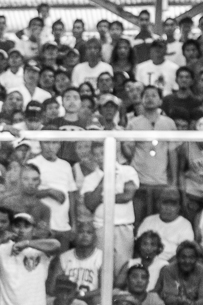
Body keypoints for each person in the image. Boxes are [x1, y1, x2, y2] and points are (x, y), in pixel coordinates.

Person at [75, 139, 139, 273]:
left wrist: (102, 198)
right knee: (102, 266)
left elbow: (127, 196)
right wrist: (104, 179)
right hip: (101, 226)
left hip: (123, 226)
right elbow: (90, 203)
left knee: (123, 266)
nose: (100, 157)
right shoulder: (91, 178)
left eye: (103, 153)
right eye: (96, 154)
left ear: (113, 153)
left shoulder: (127, 171)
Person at [0, 211, 60, 305]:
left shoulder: (39, 249)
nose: (21, 230)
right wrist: (0, 240)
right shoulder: (3, 248)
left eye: (26, 226)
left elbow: (56, 245)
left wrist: (26, 243)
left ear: (34, 230)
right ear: (10, 228)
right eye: (17, 226)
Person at [123, 86, 178, 223]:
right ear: (141, 100)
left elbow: (172, 152)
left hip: (161, 181)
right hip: (139, 181)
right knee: (138, 219)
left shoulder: (168, 123)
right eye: (146, 95)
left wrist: (174, 181)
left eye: (154, 95)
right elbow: (129, 152)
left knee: (159, 220)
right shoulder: (133, 123)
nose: (149, 98)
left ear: (160, 101)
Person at [51, 219, 101, 305]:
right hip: (67, 301)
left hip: (91, 301)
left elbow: (105, 289)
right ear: (74, 235)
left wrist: (81, 295)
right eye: (81, 232)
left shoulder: (101, 257)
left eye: (89, 233)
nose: (85, 235)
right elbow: (53, 286)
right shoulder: (64, 257)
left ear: (95, 237)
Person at [136, 189, 194, 262]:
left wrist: (164, 266)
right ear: (158, 204)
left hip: (172, 265)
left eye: (173, 205)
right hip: (147, 261)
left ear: (179, 207)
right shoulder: (148, 220)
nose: (168, 208)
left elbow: (184, 252)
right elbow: (138, 246)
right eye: (165, 203)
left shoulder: (185, 224)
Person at [157, 239, 203, 305]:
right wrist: (180, 300)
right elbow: (168, 297)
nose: (187, 261)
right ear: (177, 258)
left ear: (196, 259)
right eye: (183, 257)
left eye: (191, 257)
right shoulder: (169, 269)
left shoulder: (202, 270)